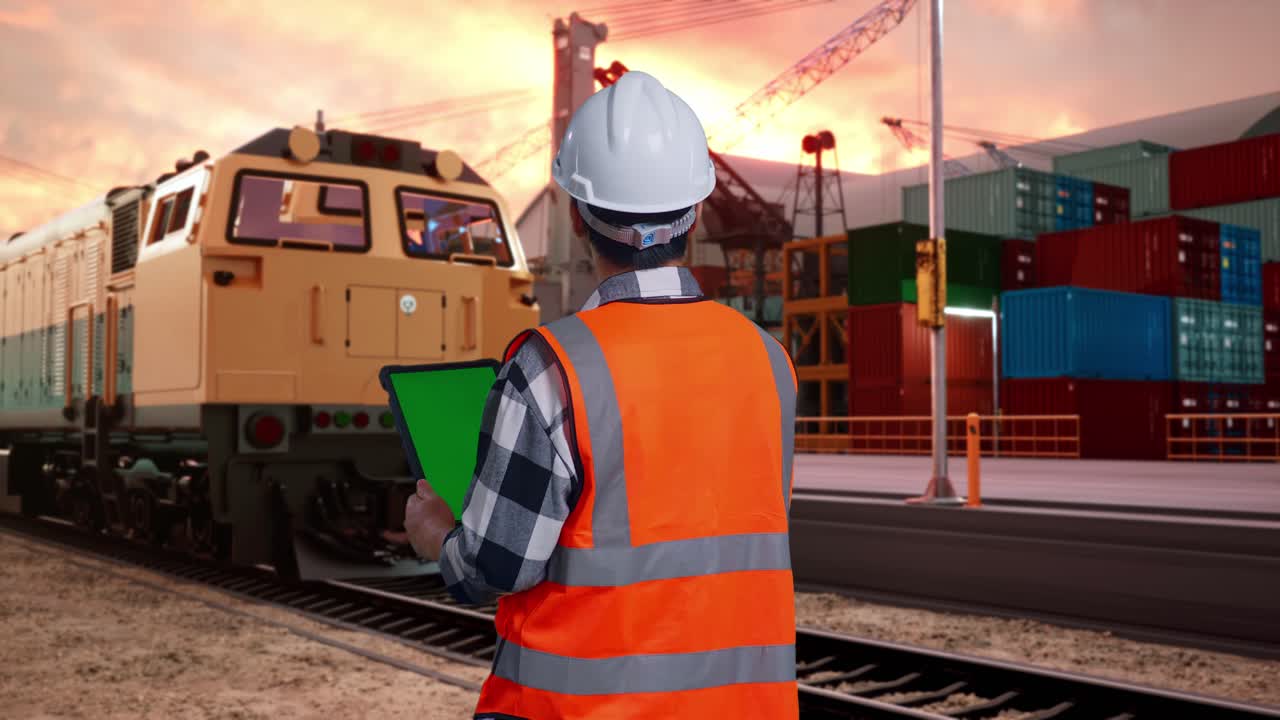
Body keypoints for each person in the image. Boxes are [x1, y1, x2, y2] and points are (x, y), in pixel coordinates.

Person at [403, 70, 799, 719]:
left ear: (573, 214)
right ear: (696, 211)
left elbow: (494, 568)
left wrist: (436, 533)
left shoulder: (549, 368)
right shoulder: (769, 361)